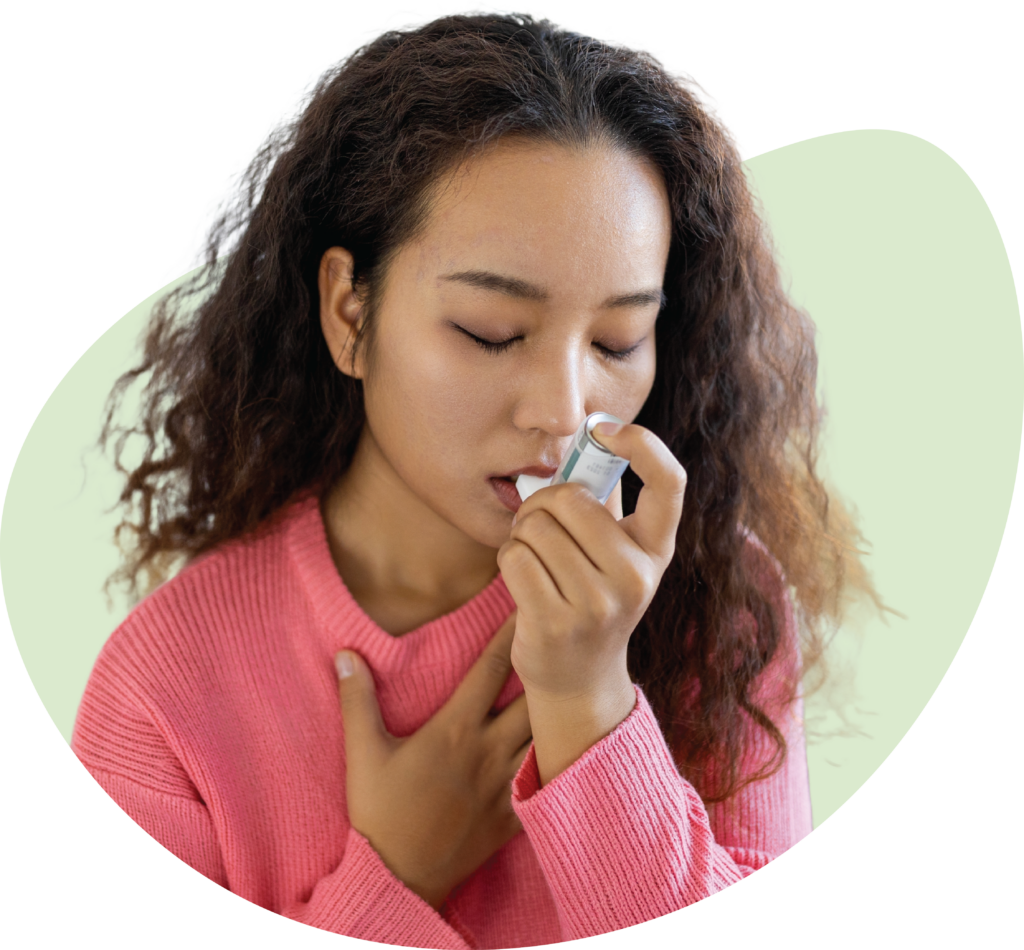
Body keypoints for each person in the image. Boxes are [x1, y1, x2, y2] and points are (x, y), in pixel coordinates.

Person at [72, 6, 888, 944]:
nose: (565, 410)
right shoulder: (162, 697)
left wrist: (589, 702)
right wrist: (396, 877)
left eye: (619, 341)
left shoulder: (719, 604)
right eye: (490, 333)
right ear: (349, 312)